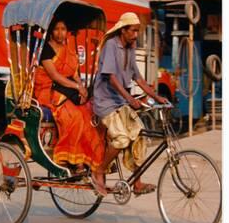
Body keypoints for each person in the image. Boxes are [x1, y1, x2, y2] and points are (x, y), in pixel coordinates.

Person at [92, 12, 168, 196]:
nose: (136, 35)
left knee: (139, 134)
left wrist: (158, 98)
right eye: (133, 31)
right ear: (123, 30)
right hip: (105, 102)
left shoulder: (130, 48)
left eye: (137, 31)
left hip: (120, 101)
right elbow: (111, 78)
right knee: (122, 138)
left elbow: (138, 78)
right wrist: (130, 99)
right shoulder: (111, 45)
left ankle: (137, 183)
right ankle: (99, 171)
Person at [34, 18, 104, 174]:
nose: (60, 33)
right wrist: (77, 87)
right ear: (51, 32)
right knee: (74, 117)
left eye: (63, 29)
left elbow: (75, 74)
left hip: (66, 90)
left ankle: (86, 159)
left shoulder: (69, 50)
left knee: (88, 116)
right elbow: (54, 75)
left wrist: (82, 88)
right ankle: (71, 160)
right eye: (57, 29)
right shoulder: (46, 49)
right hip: (49, 91)